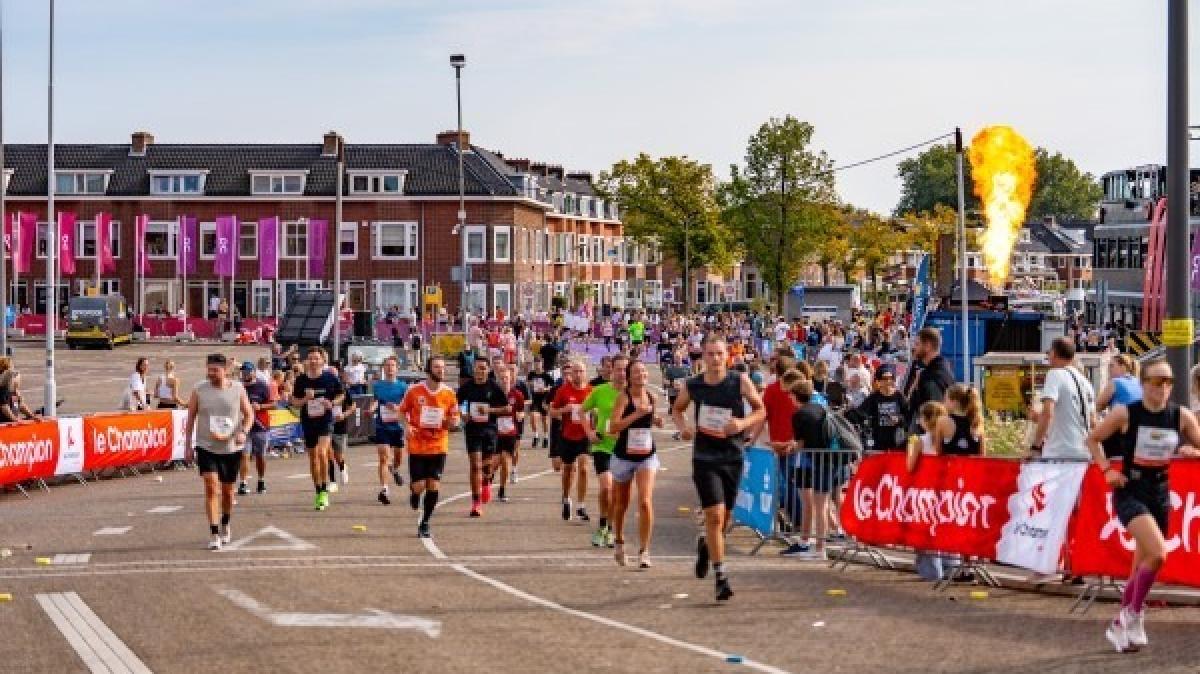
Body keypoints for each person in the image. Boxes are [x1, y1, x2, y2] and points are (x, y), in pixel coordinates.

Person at [1086, 358, 1200, 653]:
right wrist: (1107, 470)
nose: (1162, 388)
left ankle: (1122, 623)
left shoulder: (1181, 415)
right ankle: (1132, 615)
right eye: (1156, 381)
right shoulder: (1126, 413)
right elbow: (1093, 439)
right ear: (1143, 384)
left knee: (1142, 562)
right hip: (1130, 489)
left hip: (1160, 491)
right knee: (1159, 553)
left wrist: (1193, 450)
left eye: (1168, 382)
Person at [671, 335, 766, 601]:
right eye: (710, 354)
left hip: (732, 455)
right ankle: (720, 576)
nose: (714, 359)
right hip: (704, 457)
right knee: (714, 515)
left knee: (724, 519)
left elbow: (761, 410)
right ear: (702, 357)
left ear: (728, 356)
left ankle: (705, 545)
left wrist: (742, 424)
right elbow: (677, 410)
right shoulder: (694, 384)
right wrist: (684, 428)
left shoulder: (739, 381)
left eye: (719, 354)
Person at [184, 354, 255, 550]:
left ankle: (225, 523)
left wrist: (243, 431)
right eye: (208, 369)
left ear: (225, 370)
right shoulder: (199, 389)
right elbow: (190, 419)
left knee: (227, 491)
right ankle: (214, 532)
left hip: (231, 447)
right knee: (211, 486)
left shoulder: (238, 389)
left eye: (215, 370)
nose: (210, 373)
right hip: (206, 446)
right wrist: (187, 446)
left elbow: (249, 414)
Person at [607, 359, 663, 569]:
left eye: (643, 372)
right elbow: (613, 427)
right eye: (636, 372)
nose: (641, 375)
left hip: (646, 455)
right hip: (624, 456)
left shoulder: (651, 397)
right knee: (621, 503)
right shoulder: (623, 398)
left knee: (645, 501)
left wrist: (656, 420)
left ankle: (644, 551)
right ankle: (620, 541)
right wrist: (636, 414)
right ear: (629, 377)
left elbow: (650, 419)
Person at [399, 356, 460, 538]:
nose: (441, 370)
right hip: (417, 445)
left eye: (442, 367)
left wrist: (453, 422)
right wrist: (407, 426)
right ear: (428, 369)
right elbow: (401, 412)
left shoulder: (449, 393)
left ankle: (425, 522)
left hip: (438, 445)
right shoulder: (414, 391)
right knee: (419, 486)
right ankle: (414, 493)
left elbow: (454, 417)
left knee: (433, 484)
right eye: (437, 367)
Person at [583, 353, 629, 549]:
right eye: (617, 369)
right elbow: (581, 411)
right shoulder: (600, 390)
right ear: (611, 370)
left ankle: (608, 527)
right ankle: (603, 525)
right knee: (606, 488)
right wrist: (590, 432)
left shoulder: (633, 393)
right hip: (602, 445)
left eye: (624, 369)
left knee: (618, 494)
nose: (621, 373)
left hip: (624, 448)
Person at [290, 347, 344, 511]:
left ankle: (325, 491)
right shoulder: (301, 380)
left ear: (322, 361)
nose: (313, 361)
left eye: (316, 358)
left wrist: (333, 403)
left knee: (322, 453)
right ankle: (319, 490)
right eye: (310, 358)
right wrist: (305, 398)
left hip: (325, 421)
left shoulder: (330, 378)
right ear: (307, 361)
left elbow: (342, 395)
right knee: (313, 458)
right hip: (308, 421)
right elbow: (294, 402)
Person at [457, 359, 511, 517]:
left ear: (488, 370)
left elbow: (507, 409)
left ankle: (486, 481)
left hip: (489, 431)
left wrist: (489, 410)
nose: (479, 371)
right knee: (475, 465)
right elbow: (456, 403)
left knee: (487, 467)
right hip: (472, 430)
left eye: (482, 368)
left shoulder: (494, 387)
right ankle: (476, 502)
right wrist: (463, 414)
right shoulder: (466, 387)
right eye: (476, 368)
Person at [1030, 337, 1095, 460]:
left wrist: (1035, 447)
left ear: (1054, 353)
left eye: (1049, 352)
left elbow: (1048, 413)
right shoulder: (1086, 382)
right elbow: (1092, 421)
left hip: (1060, 452)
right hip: (1084, 451)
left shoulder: (1055, 374)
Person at [549, 359, 594, 522]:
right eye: (575, 371)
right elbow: (552, 412)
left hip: (584, 435)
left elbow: (600, 412)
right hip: (567, 436)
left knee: (583, 468)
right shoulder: (563, 391)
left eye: (581, 371)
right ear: (571, 374)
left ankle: (581, 505)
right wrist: (563, 410)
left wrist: (594, 412)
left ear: (585, 373)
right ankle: (566, 498)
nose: (578, 374)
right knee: (568, 470)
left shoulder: (591, 391)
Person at [901, 327, 955, 432]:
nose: (914, 348)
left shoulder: (932, 376)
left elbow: (934, 412)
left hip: (928, 440)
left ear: (928, 346)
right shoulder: (937, 369)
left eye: (917, 344)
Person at [371, 355, 409, 505]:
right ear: (383, 368)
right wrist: (371, 408)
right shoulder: (378, 386)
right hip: (382, 426)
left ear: (397, 368)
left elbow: (407, 407)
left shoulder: (403, 387)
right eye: (387, 365)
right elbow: (376, 401)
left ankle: (395, 470)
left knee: (398, 458)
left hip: (397, 427)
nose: (389, 368)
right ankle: (385, 489)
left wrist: (398, 408)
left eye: (392, 365)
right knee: (383, 458)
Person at [847, 365, 908, 453]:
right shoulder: (873, 398)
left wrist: (899, 419)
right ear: (879, 381)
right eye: (885, 378)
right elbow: (859, 413)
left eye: (891, 378)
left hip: (897, 442)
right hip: (878, 442)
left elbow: (908, 416)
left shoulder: (899, 397)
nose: (888, 381)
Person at [237, 362, 273, 496]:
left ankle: (261, 480)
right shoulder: (238, 387)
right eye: (243, 372)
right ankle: (243, 483)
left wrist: (261, 407)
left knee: (260, 456)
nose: (245, 374)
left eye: (247, 371)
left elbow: (273, 403)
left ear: (253, 372)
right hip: (244, 426)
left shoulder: (262, 386)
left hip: (260, 426)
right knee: (244, 455)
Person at [494, 366, 525, 502]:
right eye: (502, 378)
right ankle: (488, 478)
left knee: (505, 461)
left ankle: (502, 489)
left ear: (511, 379)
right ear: (498, 379)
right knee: (494, 463)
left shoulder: (517, 395)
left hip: (510, 433)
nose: (504, 380)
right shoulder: (492, 394)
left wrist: (520, 415)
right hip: (495, 433)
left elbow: (522, 411)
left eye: (506, 378)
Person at [933, 384, 987, 456]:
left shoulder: (942, 421)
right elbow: (982, 454)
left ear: (954, 401)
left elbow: (938, 451)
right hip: (971, 466)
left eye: (946, 399)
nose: (943, 403)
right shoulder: (976, 420)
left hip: (951, 466)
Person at [328, 363, 356, 494]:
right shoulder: (324, 389)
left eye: (334, 373)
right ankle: (332, 482)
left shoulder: (344, 390)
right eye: (329, 373)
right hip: (326, 425)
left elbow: (353, 406)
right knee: (327, 454)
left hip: (340, 425)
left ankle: (343, 467)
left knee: (338, 455)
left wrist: (344, 414)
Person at [526, 358, 555, 449]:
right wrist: (530, 384)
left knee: (544, 420)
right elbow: (528, 383)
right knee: (533, 417)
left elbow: (552, 386)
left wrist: (545, 389)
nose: (537, 365)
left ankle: (546, 437)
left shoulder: (546, 375)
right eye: (536, 363)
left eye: (539, 363)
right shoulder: (531, 374)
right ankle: (536, 436)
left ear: (542, 364)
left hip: (544, 400)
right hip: (534, 400)